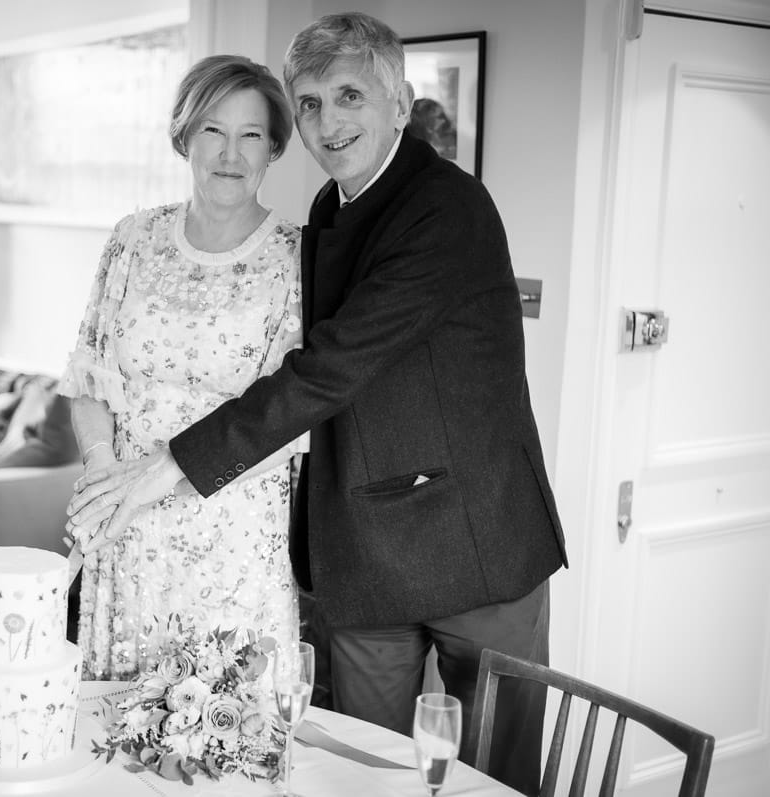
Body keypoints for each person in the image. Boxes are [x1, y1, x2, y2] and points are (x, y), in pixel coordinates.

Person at [67, 14, 567, 796]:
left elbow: (326, 370)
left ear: (400, 102)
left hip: (477, 540)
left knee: (489, 780)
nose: (329, 122)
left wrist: (170, 464)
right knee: (361, 772)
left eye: (349, 96)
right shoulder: (331, 215)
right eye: (309, 104)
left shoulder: (447, 209)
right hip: (368, 550)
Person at [59, 55, 304, 679]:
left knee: (224, 733)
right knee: (116, 733)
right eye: (214, 130)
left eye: (252, 135)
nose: (231, 153)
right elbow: (89, 371)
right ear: (184, 135)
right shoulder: (132, 239)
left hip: (234, 530)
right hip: (129, 525)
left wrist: (161, 477)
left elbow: (293, 415)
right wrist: (101, 468)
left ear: (274, 148)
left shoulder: (297, 258)